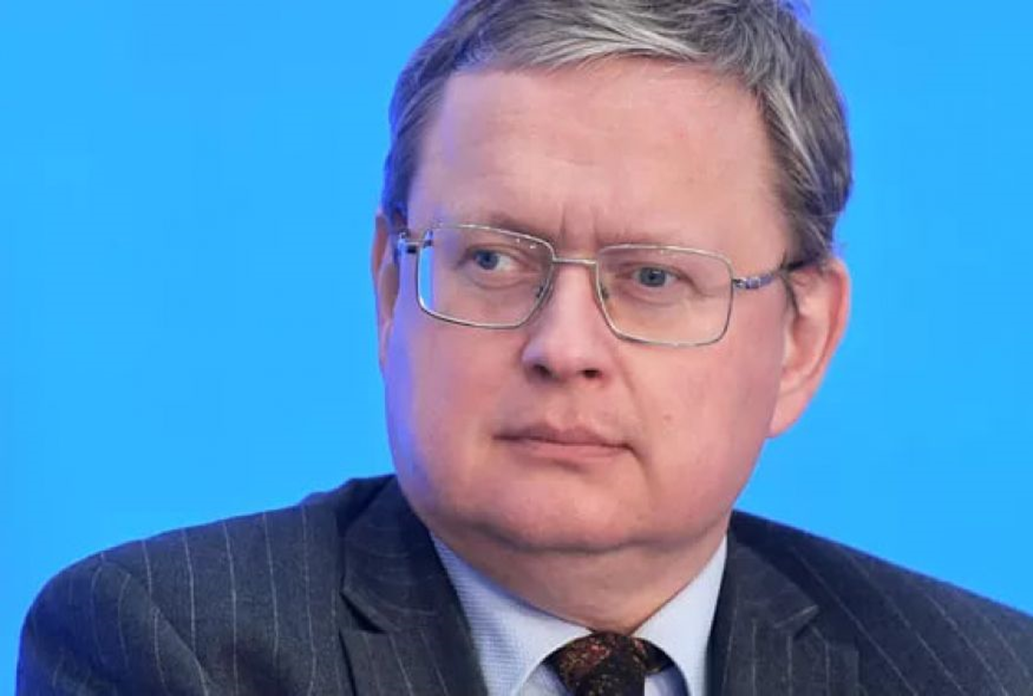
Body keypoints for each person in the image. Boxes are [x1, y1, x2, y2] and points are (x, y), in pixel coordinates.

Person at [18, 1, 1033, 694]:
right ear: (391, 291)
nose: (563, 346)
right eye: (494, 260)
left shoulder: (979, 672)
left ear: (800, 339)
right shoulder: (171, 647)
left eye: (652, 277)